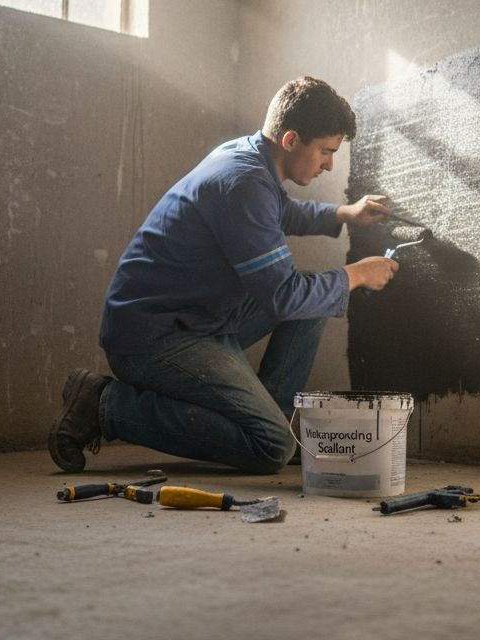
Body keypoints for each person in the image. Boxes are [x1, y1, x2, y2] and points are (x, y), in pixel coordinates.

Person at [48, 76, 400, 474]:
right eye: (325, 152)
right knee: (270, 447)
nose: (329, 164)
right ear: (290, 140)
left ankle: (268, 417)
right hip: (154, 338)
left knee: (314, 300)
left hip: (197, 316)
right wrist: (356, 274)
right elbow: (283, 296)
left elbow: (278, 212)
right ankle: (103, 405)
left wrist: (344, 213)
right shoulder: (243, 182)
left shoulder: (249, 156)